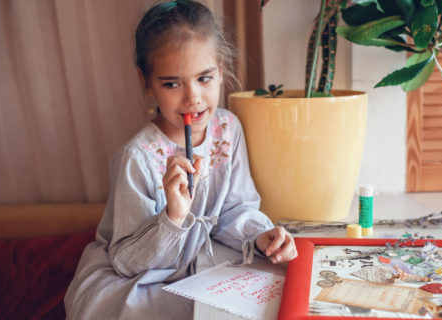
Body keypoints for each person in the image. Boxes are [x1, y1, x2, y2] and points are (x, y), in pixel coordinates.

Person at [64, 1, 297, 319]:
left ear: (221, 70)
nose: (192, 98)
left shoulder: (228, 129)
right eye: (171, 84)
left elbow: (236, 209)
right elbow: (126, 260)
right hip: (141, 276)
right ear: (146, 82)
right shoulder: (138, 157)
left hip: (203, 264)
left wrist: (261, 235)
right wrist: (172, 218)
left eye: (204, 78)